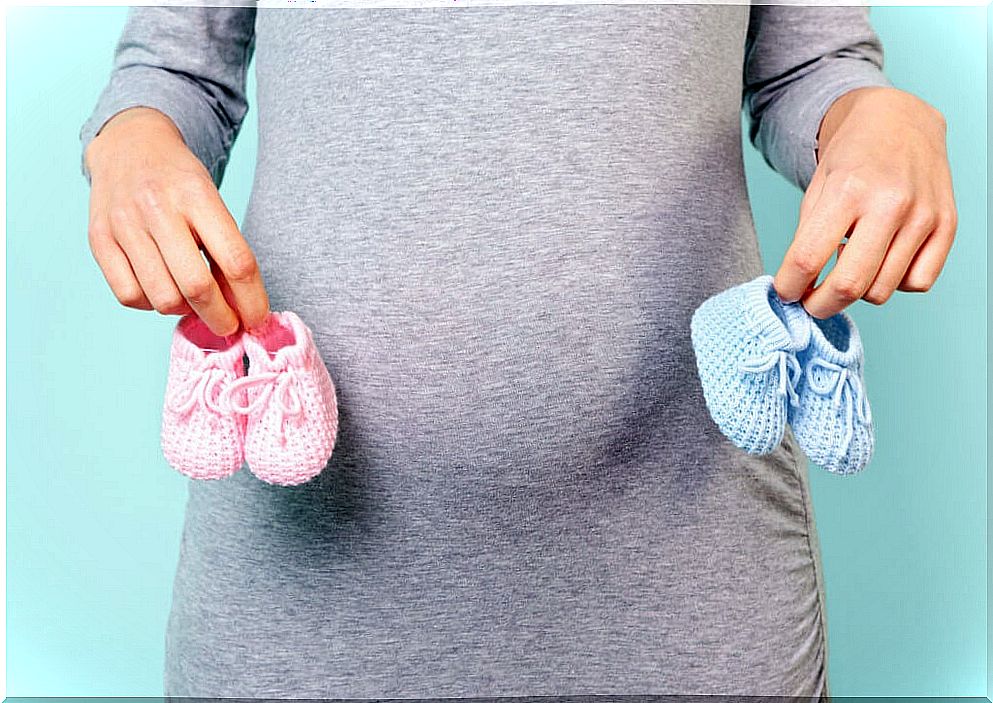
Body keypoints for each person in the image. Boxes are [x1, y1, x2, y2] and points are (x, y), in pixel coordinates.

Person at [78, 3, 956, 698]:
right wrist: (134, 141)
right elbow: (172, 68)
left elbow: (808, 64)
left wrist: (871, 114)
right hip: (300, 585)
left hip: (686, 580)